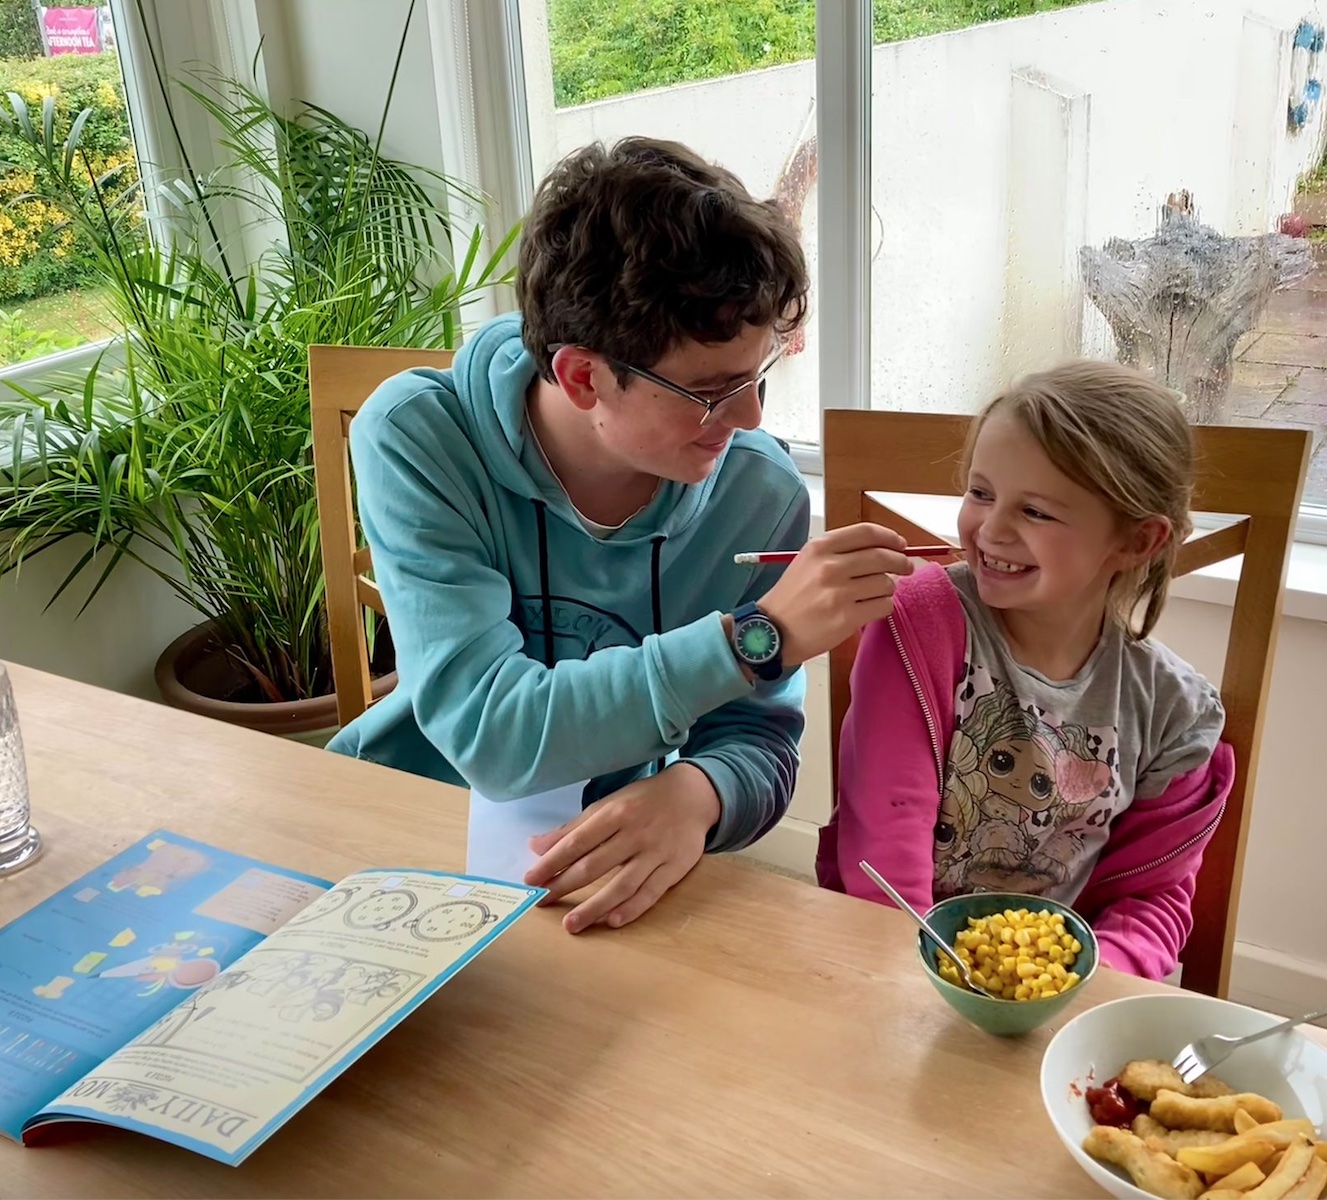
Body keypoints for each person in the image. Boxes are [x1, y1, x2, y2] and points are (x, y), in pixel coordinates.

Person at [328, 137, 912, 934]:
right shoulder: (420, 437)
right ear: (582, 376)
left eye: (761, 375)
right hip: (389, 828)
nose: (750, 418)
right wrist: (752, 641)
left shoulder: (758, 491)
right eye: (712, 391)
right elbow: (490, 736)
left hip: (599, 871)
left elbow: (760, 742)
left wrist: (698, 794)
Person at [817, 361, 1234, 980]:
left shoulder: (1176, 715)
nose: (990, 529)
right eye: (981, 493)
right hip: (889, 960)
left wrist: (1075, 988)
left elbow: (1152, 901)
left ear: (1137, 541)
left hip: (1060, 994)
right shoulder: (916, 627)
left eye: (1035, 511)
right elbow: (884, 852)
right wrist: (934, 983)